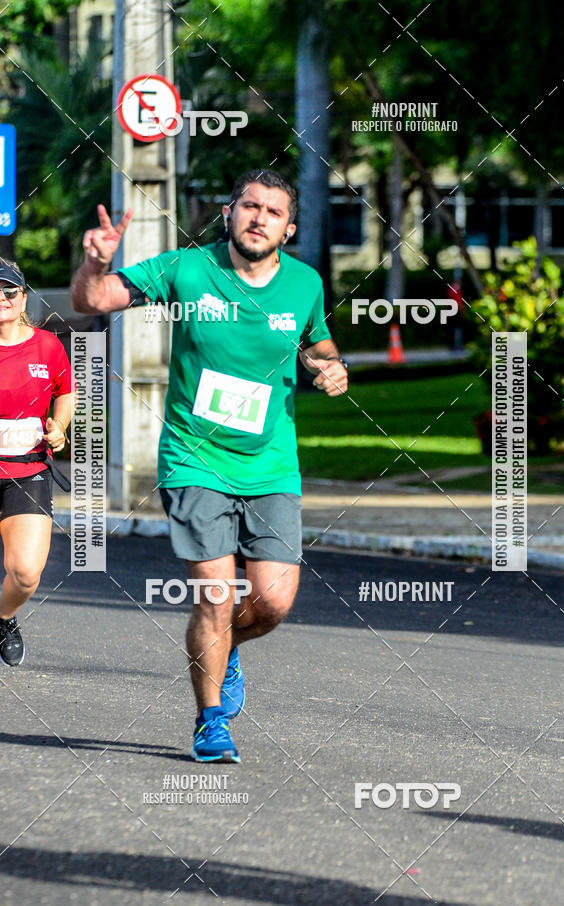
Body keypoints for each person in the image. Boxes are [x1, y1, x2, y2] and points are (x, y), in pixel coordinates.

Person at [71, 169, 348, 762]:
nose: (258, 218)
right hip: (194, 458)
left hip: (272, 465)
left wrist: (331, 368)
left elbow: (317, 344)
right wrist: (95, 264)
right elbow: (93, 301)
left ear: (288, 228)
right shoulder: (187, 270)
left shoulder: (304, 284)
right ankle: (210, 720)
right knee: (217, 597)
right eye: (249, 206)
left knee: (271, 604)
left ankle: (226, 651)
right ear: (229, 212)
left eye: (272, 212)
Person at [0, 258, 74, 666]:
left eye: (8, 291)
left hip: (26, 471)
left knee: (26, 574)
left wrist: (59, 426)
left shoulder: (47, 345)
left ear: (23, 296)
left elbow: (65, 390)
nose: (2, 299)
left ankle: (3, 618)